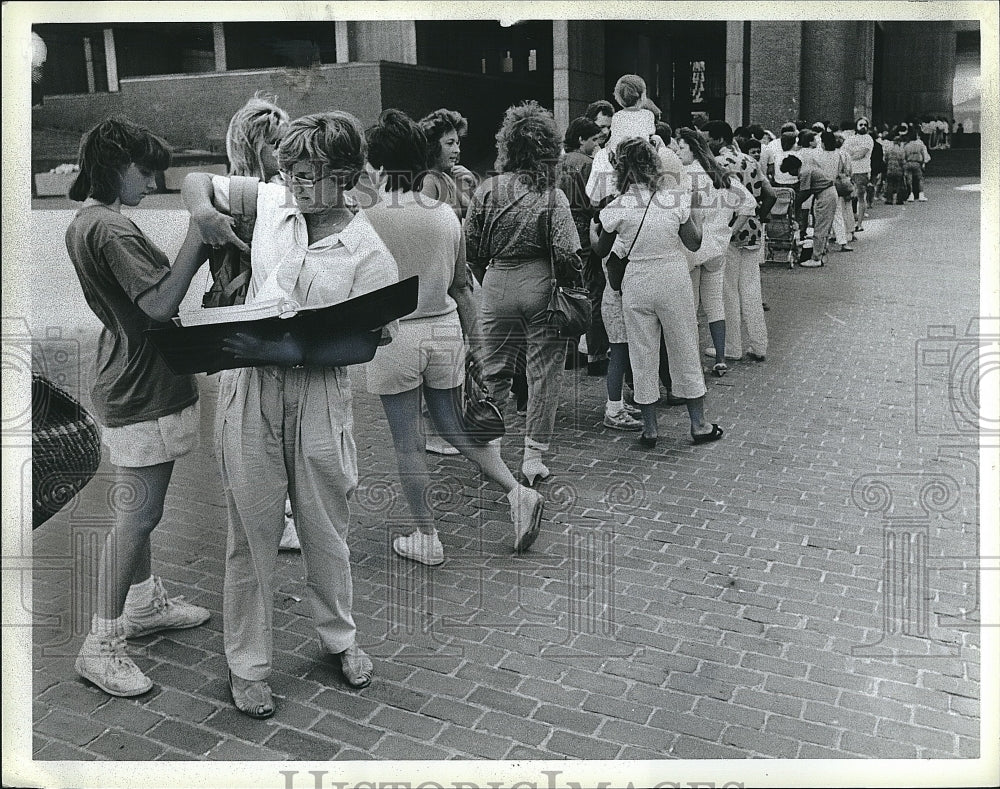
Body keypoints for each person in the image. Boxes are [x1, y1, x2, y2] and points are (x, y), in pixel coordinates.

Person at [182, 111, 399, 718]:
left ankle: (340, 638)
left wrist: (281, 348)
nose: (297, 185)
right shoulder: (275, 201)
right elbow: (199, 181)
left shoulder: (368, 252)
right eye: (290, 172)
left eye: (310, 175)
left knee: (325, 527)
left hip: (321, 395)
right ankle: (248, 664)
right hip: (251, 388)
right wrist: (204, 213)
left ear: (346, 177)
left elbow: (360, 345)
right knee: (249, 530)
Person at [66, 117, 212, 697]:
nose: (152, 181)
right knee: (136, 517)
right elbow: (158, 305)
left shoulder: (86, 222)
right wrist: (197, 242)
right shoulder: (112, 230)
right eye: (145, 170)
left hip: (126, 374)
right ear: (115, 166)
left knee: (140, 512)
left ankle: (145, 603)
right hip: (141, 386)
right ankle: (99, 644)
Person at [363, 108, 544, 565]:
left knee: (408, 442)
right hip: (444, 329)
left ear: (379, 162)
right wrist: (477, 347)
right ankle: (516, 492)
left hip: (395, 336)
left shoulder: (367, 216)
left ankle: (427, 535)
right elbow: (463, 285)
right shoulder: (444, 214)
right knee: (455, 427)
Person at [465, 101, 583, 486]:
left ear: (507, 146)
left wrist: (490, 275)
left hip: (497, 282)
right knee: (543, 372)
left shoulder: (486, 189)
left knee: (494, 371)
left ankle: (492, 454)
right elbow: (568, 250)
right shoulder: (553, 195)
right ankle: (533, 459)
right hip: (541, 283)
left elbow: (471, 248)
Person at [592, 137, 723, 448]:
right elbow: (693, 242)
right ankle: (698, 424)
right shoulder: (674, 200)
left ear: (620, 168)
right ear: (654, 165)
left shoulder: (616, 207)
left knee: (642, 353)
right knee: (684, 348)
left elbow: (602, 249)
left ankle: (650, 429)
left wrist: (593, 234)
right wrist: (697, 217)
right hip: (672, 277)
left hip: (636, 281)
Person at [216, 93, 304, 552]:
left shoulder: (280, 191)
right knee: (260, 428)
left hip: (281, 323)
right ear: (254, 147)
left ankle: (284, 512)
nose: (284, 151)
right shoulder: (244, 198)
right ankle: (275, 518)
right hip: (250, 317)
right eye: (275, 144)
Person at [676, 127, 754, 378]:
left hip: (692, 247)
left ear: (693, 148)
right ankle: (720, 358)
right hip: (717, 246)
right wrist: (730, 231)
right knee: (714, 304)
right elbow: (749, 205)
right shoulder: (722, 176)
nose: (678, 153)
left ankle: (691, 362)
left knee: (690, 307)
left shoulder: (685, 176)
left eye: (681, 148)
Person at [701, 119, 776, 363]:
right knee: (752, 290)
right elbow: (770, 194)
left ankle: (732, 346)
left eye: (709, 138)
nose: (706, 143)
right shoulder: (751, 160)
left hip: (730, 231)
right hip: (753, 230)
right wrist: (760, 218)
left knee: (728, 292)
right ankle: (759, 344)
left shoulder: (717, 165)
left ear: (720, 139)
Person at [558, 116, 608, 377]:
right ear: (581, 139)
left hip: (562, 229)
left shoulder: (556, 164)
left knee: (567, 291)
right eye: (593, 139)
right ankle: (596, 355)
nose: (596, 144)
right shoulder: (589, 165)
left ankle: (570, 353)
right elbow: (596, 202)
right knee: (593, 292)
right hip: (586, 228)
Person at [418, 108, 478, 218]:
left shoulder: (445, 178)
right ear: (433, 146)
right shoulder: (429, 180)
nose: (457, 150)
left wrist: (473, 185)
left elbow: (474, 215)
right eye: (450, 143)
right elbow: (423, 222)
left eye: (457, 143)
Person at [781, 153, 836, 267]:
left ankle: (816, 258)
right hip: (827, 193)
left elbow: (804, 192)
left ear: (793, 168)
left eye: (789, 171)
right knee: (824, 226)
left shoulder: (804, 172)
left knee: (820, 227)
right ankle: (821, 252)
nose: (791, 175)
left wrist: (795, 205)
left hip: (825, 195)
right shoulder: (807, 167)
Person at [811, 131, 854, 253]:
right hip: (834, 186)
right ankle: (843, 242)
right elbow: (842, 170)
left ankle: (823, 244)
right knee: (837, 215)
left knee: (821, 218)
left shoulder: (817, 155)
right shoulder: (838, 154)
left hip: (821, 189)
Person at [606, 74, 656, 154]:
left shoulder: (617, 116)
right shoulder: (648, 115)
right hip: (641, 155)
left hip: (621, 155)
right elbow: (651, 133)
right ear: (642, 95)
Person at [842, 117, 874, 232]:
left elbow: (861, 154)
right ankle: (850, 224)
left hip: (862, 171)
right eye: (861, 125)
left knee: (860, 197)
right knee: (848, 198)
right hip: (850, 171)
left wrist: (852, 154)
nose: (863, 127)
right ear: (856, 126)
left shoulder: (868, 139)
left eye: (865, 125)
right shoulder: (851, 138)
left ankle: (859, 224)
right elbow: (845, 151)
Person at [902, 127, 931, 202]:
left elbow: (904, 156)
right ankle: (921, 194)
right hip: (917, 163)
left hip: (908, 162)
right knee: (920, 179)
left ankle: (911, 195)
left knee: (909, 179)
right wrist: (923, 163)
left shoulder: (906, 146)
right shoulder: (919, 145)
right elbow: (923, 155)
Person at [883, 133, 906, 204]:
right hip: (898, 170)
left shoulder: (889, 149)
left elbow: (885, 159)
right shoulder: (901, 150)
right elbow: (903, 160)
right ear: (899, 142)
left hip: (890, 169)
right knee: (899, 184)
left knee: (889, 184)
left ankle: (889, 200)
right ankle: (899, 200)